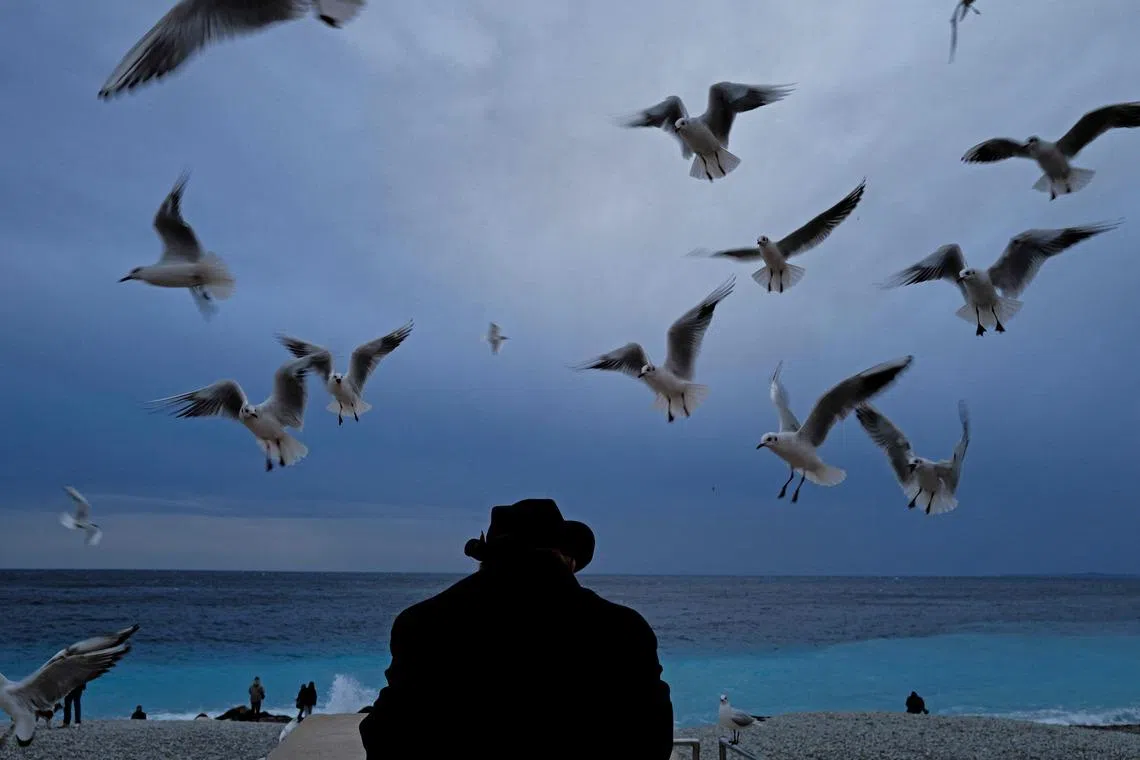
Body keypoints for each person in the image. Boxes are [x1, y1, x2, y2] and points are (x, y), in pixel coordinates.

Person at [359, 498, 674, 759]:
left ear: (487, 557)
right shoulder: (623, 630)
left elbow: (388, 740)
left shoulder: (422, 623)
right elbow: (653, 742)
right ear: (568, 559)